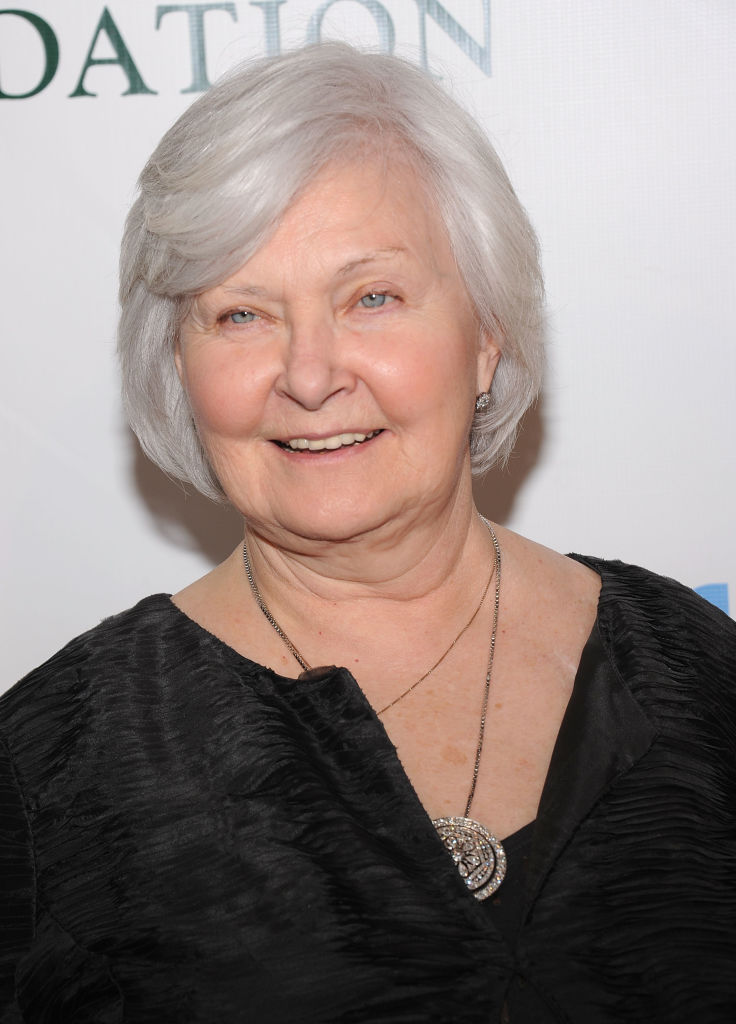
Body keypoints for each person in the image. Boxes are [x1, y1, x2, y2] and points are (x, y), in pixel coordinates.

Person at [1, 42, 734, 1024]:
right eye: (242, 313)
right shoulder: (46, 771)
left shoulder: (698, 672)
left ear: (485, 337)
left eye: (371, 297)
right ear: (176, 366)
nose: (309, 375)